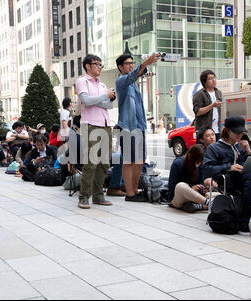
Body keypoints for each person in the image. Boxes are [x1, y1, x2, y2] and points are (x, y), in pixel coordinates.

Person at [115, 52, 160, 202]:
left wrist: (147, 64)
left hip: (139, 126)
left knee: (139, 159)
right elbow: (133, 75)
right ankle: (129, 193)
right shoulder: (121, 81)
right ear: (120, 67)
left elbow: (138, 74)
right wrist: (145, 63)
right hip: (126, 127)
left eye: (132, 63)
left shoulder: (134, 83)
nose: (131, 65)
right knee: (129, 160)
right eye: (127, 63)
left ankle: (135, 189)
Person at [76, 54, 115, 209]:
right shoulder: (82, 81)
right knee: (91, 163)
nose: (99, 67)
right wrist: (104, 97)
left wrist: (98, 99)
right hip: (90, 125)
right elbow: (86, 101)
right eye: (96, 64)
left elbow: (109, 106)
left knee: (104, 163)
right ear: (88, 66)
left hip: (105, 124)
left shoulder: (102, 85)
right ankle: (83, 197)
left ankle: (98, 196)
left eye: (101, 64)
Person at [168, 144, 211, 213]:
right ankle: (208, 204)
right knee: (181, 185)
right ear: (189, 156)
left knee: (218, 195)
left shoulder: (199, 165)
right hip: (179, 198)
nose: (199, 163)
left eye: (200, 162)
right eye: (197, 161)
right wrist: (191, 189)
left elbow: (201, 182)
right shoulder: (178, 163)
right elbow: (172, 187)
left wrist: (202, 188)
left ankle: (199, 206)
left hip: (195, 198)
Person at [193, 70, 223, 140]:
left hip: (217, 130)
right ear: (204, 82)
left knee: (217, 150)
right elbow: (198, 112)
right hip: (204, 131)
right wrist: (212, 105)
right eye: (210, 79)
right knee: (204, 150)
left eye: (214, 78)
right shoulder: (199, 94)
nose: (213, 80)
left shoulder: (218, 92)